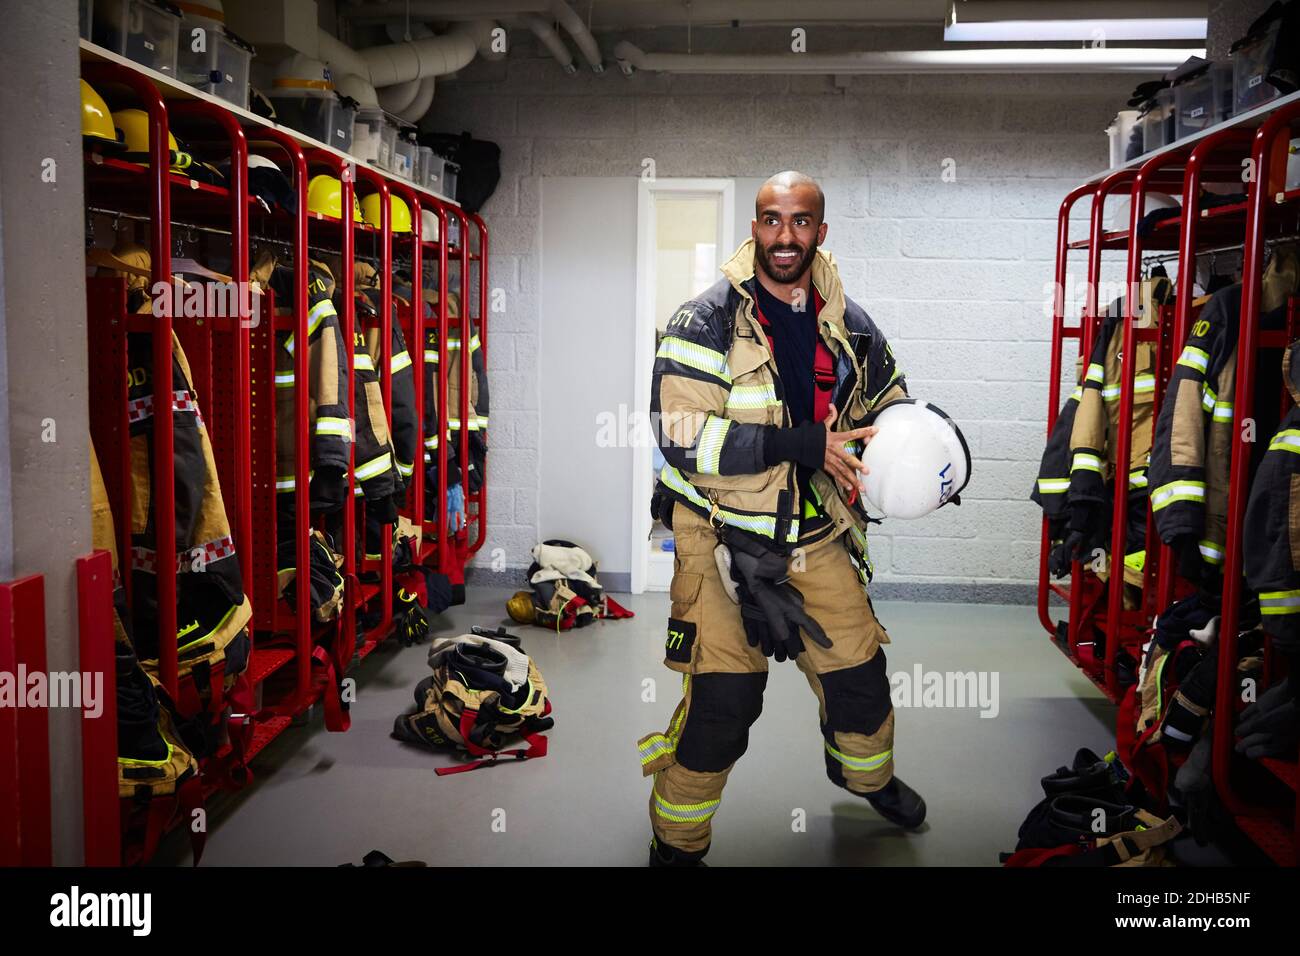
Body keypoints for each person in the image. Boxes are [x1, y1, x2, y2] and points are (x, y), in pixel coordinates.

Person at [640, 171, 926, 866]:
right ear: (755, 229)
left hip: (815, 533)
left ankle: (865, 778)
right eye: (772, 220)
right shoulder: (703, 320)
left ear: (819, 231)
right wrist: (796, 444)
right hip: (716, 538)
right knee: (725, 701)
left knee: (859, 676)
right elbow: (680, 432)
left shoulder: (849, 323)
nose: (785, 236)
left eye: (801, 222)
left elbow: (889, 400)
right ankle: (677, 840)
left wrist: (911, 448)